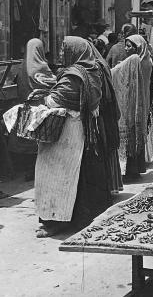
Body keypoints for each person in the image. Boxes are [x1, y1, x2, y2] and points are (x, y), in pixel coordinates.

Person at [35, 36, 120, 237]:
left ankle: (56, 221)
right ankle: (75, 219)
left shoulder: (75, 75)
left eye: (65, 49)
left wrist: (43, 96)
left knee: (57, 176)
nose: (62, 53)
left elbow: (56, 101)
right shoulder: (92, 71)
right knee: (77, 177)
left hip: (66, 134)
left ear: (75, 51)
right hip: (83, 131)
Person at [10, 39, 56, 180]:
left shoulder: (20, 68)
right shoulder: (40, 68)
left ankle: (29, 170)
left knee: (28, 140)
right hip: (41, 111)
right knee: (40, 142)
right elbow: (52, 83)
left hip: (26, 110)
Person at [111, 34, 152, 180]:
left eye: (130, 46)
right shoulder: (145, 61)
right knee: (136, 132)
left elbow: (116, 74)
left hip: (131, 103)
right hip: (141, 102)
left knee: (130, 132)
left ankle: (130, 170)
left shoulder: (134, 61)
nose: (126, 49)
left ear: (138, 47)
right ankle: (135, 169)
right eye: (126, 45)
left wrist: (121, 67)